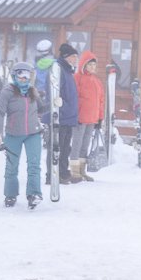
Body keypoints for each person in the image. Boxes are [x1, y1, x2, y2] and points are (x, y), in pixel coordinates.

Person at [0, 62, 48, 209]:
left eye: (26, 76)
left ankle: (34, 194)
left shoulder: (32, 91)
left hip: (33, 133)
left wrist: (55, 104)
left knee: (34, 166)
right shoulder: (7, 92)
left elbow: (41, 109)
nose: (23, 79)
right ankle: (10, 195)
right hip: (13, 134)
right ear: (14, 76)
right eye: (20, 75)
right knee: (11, 167)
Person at [70, 50, 103, 182]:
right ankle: (74, 171)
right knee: (77, 144)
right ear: (84, 65)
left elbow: (101, 100)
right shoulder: (77, 78)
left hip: (92, 118)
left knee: (85, 144)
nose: (92, 68)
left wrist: (100, 117)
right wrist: (74, 115)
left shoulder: (97, 81)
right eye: (90, 65)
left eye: (94, 65)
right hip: (80, 117)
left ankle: (82, 170)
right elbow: (74, 98)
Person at [55, 43, 81, 184]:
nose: (76, 59)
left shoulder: (68, 71)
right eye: (73, 56)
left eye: (76, 56)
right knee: (59, 147)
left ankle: (64, 173)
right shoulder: (58, 70)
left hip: (68, 116)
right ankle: (55, 174)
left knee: (66, 147)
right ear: (66, 57)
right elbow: (55, 93)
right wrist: (64, 108)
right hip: (61, 116)